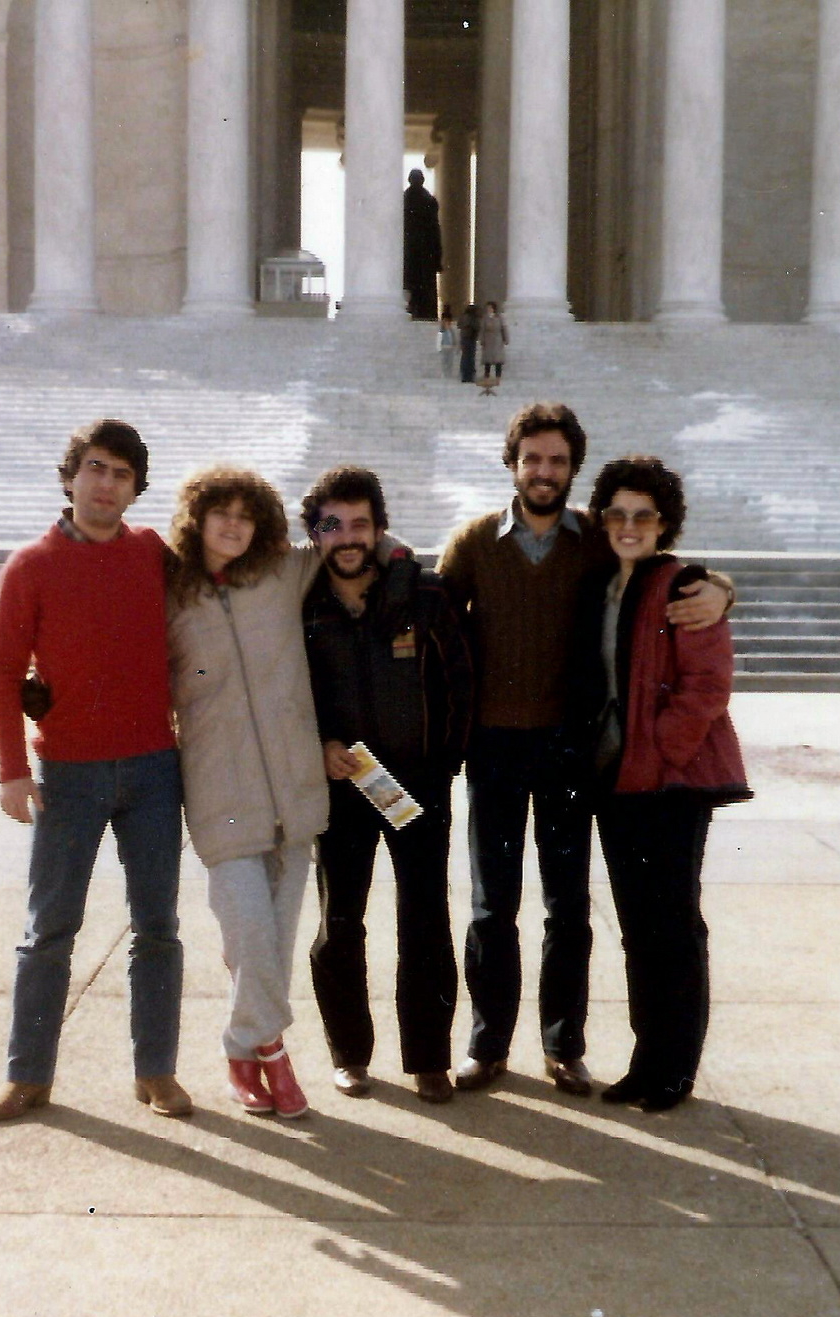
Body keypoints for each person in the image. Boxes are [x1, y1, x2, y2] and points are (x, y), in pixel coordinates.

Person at [437, 402, 731, 1097]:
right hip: (496, 751)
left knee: (568, 907)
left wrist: (722, 587)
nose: (544, 472)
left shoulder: (595, 544)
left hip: (570, 753)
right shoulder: (474, 542)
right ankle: (487, 1046)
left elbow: (663, 570)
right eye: (533, 459)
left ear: (573, 470)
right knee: (491, 906)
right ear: (512, 464)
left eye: (558, 461)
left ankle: (563, 1045)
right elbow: (434, 628)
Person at [0, 420, 191, 1124]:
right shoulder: (30, 566)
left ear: (137, 488)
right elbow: (2, 673)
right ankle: (28, 1074)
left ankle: (155, 1070)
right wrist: (13, 771)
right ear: (70, 477)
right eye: (95, 468)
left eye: (122, 474)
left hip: (155, 769)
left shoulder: (154, 554)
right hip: (68, 773)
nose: (106, 484)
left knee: (157, 926)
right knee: (50, 929)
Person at [565, 457, 750, 1112]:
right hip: (619, 783)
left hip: (670, 788)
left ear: (664, 522)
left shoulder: (687, 585)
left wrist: (661, 755)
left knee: (672, 926)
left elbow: (707, 686)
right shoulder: (603, 586)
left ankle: (676, 1068)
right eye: (617, 513)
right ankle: (648, 1062)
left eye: (643, 515)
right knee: (639, 928)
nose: (629, 525)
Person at [299, 467, 473, 1104]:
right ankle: (350, 1054)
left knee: (425, 919)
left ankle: (428, 1057)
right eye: (332, 525)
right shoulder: (303, 601)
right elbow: (289, 691)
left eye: (360, 524)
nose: (347, 538)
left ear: (378, 528)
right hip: (343, 785)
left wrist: (440, 765)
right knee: (339, 922)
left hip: (412, 784)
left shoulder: (422, 592)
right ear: (313, 531)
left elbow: (460, 685)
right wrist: (318, 745)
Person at [167, 467, 331, 1121]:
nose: (233, 525)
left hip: (294, 793)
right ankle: (267, 1050)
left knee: (273, 943)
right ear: (199, 518)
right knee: (252, 939)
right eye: (221, 512)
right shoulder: (169, 591)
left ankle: (248, 1050)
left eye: (246, 514)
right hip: (219, 794)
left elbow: (356, 539)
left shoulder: (282, 574)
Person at [403, 168, 443, 320]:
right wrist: (438, 256)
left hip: (411, 249)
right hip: (425, 251)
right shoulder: (429, 200)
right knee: (424, 287)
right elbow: (435, 229)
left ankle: (415, 311)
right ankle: (425, 313)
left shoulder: (404, 199)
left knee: (411, 284)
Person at [478, 300, 509, 381]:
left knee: (498, 360)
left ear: (493, 309)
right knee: (487, 360)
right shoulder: (485, 318)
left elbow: (503, 328)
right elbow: (482, 329)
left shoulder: (499, 317)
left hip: (497, 340)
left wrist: (506, 338)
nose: (489, 309)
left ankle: (498, 376)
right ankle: (486, 375)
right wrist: (481, 339)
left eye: (490, 308)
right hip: (488, 340)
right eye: (487, 308)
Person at [457, 303, 479, 385]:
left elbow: (459, 325)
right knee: (470, 358)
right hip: (470, 339)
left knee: (464, 357)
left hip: (464, 338)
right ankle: (469, 376)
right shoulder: (472, 318)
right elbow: (476, 326)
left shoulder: (463, 317)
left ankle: (464, 375)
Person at [437, 306, 458, 380]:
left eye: (449, 323)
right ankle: (444, 373)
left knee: (450, 361)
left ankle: (449, 373)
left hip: (450, 348)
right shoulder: (442, 331)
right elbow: (439, 339)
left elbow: (454, 339)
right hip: (444, 347)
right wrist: (439, 348)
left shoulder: (451, 331)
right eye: (446, 323)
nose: (448, 325)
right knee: (444, 361)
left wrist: (455, 345)